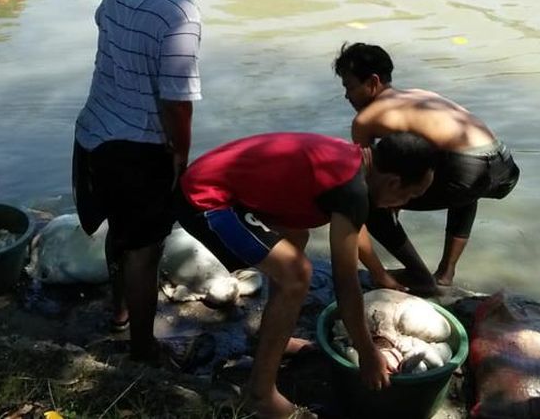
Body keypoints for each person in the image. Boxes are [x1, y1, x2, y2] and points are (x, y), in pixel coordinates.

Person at [176, 131, 436, 419]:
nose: (403, 204)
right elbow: (345, 282)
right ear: (394, 182)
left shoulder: (356, 164)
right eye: (410, 196)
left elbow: (353, 227)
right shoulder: (353, 191)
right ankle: (260, 394)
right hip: (206, 198)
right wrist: (367, 352)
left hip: (224, 183)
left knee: (296, 239)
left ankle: (272, 339)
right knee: (297, 274)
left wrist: (380, 274)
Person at [72, 0, 231, 362]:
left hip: (92, 133)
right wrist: (180, 156)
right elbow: (177, 101)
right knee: (143, 248)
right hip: (137, 148)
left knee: (116, 228)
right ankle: (143, 347)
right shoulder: (180, 12)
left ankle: (119, 312)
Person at [333, 43, 519, 292]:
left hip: (467, 169)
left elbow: (367, 177)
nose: (347, 96)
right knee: (462, 189)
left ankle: (420, 276)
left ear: (373, 82)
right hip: (503, 165)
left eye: (350, 87)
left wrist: (389, 201)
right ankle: (446, 272)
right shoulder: (420, 94)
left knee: (368, 203)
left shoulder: (365, 120)